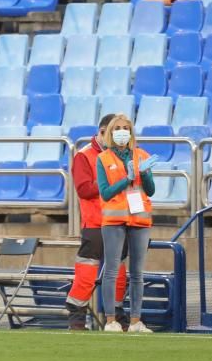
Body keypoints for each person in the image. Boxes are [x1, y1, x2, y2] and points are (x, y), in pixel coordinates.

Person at [65, 113, 130, 331]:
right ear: (102, 132)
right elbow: (83, 190)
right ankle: (77, 317)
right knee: (87, 272)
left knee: (119, 274)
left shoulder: (122, 155)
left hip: (119, 222)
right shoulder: (84, 156)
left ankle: (116, 317)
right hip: (95, 224)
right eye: (112, 132)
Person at [96, 115, 156, 334]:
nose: (122, 132)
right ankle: (111, 320)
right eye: (117, 128)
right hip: (113, 220)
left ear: (131, 132)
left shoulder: (142, 155)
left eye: (125, 128)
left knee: (137, 272)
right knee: (111, 270)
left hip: (139, 218)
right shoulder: (103, 158)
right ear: (111, 133)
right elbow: (105, 191)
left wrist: (145, 174)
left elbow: (150, 190)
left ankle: (135, 321)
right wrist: (127, 179)